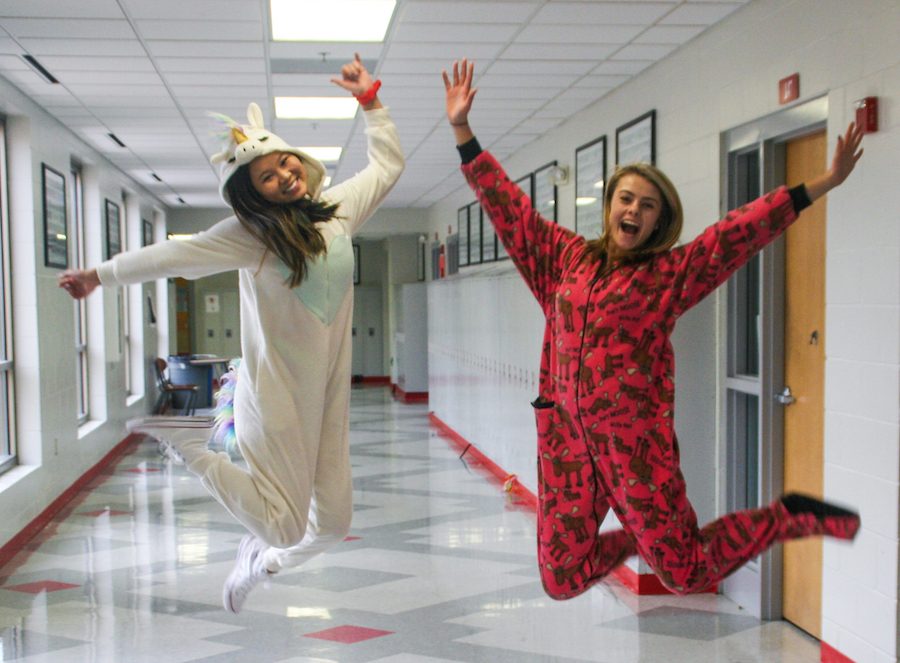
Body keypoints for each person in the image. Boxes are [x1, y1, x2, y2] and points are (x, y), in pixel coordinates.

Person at [442, 58, 863, 599]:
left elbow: (734, 236)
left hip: (635, 451)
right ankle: (640, 539)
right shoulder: (564, 260)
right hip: (566, 446)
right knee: (562, 579)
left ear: (658, 222)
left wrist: (819, 185)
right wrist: (462, 132)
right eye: (625, 199)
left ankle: (784, 518)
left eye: (647, 206)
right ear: (610, 205)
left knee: (686, 575)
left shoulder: (666, 277)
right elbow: (509, 210)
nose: (633, 211)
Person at [59, 54, 404, 613]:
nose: (285, 176)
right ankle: (194, 447)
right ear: (256, 194)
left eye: (285, 163)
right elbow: (176, 253)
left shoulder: (338, 212)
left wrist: (372, 104)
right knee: (286, 523)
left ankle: (261, 562)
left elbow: (387, 167)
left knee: (333, 524)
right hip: (276, 397)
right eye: (268, 177)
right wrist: (101, 275)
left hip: (328, 397)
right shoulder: (251, 236)